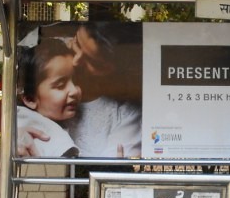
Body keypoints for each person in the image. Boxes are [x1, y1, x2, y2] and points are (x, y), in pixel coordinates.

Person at [17, 22, 141, 159]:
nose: (75, 61)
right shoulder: (53, 52)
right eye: (77, 43)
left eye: (91, 60)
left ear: (111, 68)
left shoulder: (123, 114)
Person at [16, 39, 82, 157]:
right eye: (61, 85)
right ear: (30, 99)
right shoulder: (50, 136)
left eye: (76, 81)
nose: (74, 91)